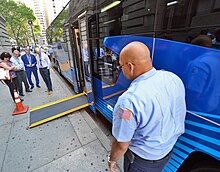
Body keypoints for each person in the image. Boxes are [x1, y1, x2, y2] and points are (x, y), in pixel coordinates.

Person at [108, 42, 186, 172]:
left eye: (121, 66)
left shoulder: (128, 102)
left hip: (142, 162)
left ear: (130, 66)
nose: (120, 69)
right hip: (168, 151)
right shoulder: (173, 78)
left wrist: (112, 160)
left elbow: (121, 145)